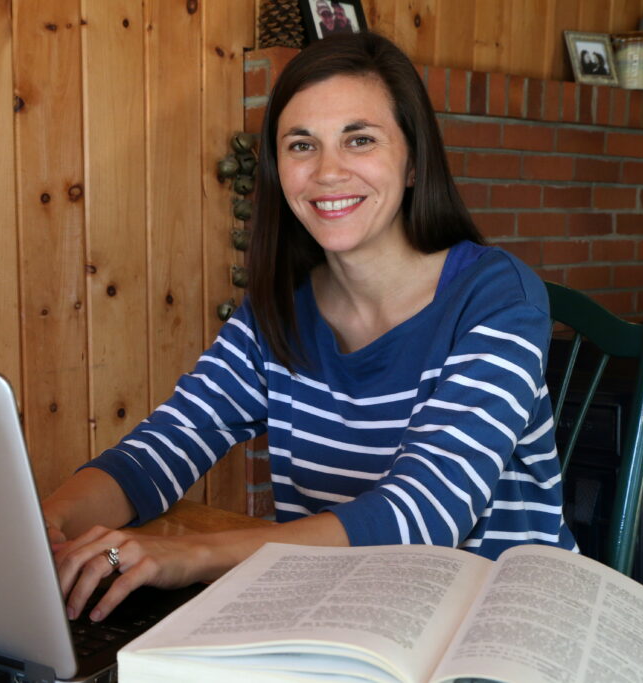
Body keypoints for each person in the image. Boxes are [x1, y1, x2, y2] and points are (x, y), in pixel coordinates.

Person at [43, 30, 577, 623]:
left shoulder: (497, 296)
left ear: (413, 163)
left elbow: (424, 513)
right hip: (347, 615)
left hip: (500, 625)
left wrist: (188, 553)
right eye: (302, 145)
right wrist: (50, 524)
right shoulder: (279, 311)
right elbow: (162, 451)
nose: (327, 171)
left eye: (360, 139)